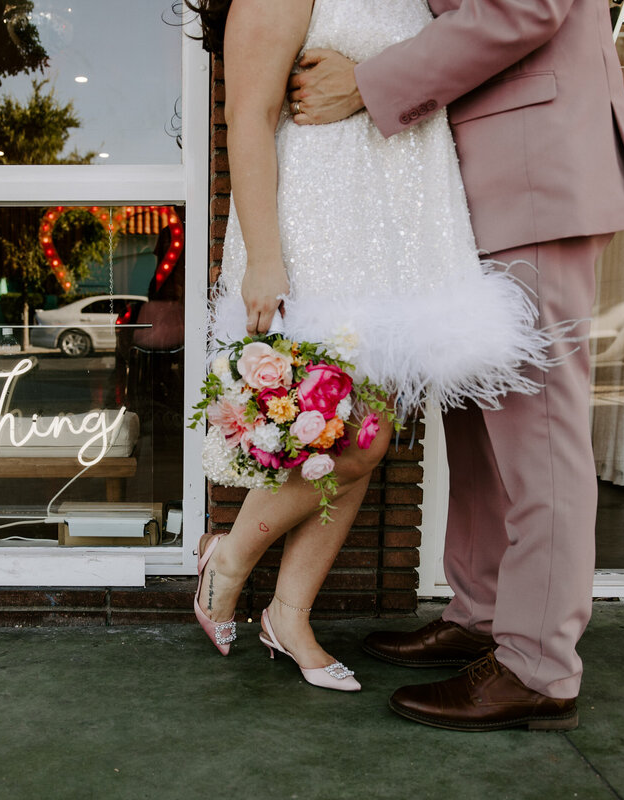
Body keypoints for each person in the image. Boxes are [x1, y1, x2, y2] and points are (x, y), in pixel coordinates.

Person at [286, 0, 624, 727]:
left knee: (538, 437)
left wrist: (367, 83)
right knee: (480, 429)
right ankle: (483, 613)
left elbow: (526, 8)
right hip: (478, 186)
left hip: (532, 173)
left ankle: (539, 668)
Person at [188, 0, 560, 694]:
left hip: (389, 243)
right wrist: (264, 259)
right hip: (314, 241)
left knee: (353, 435)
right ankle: (230, 558)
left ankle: (289, 615)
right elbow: (248, 119)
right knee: (360, 437)